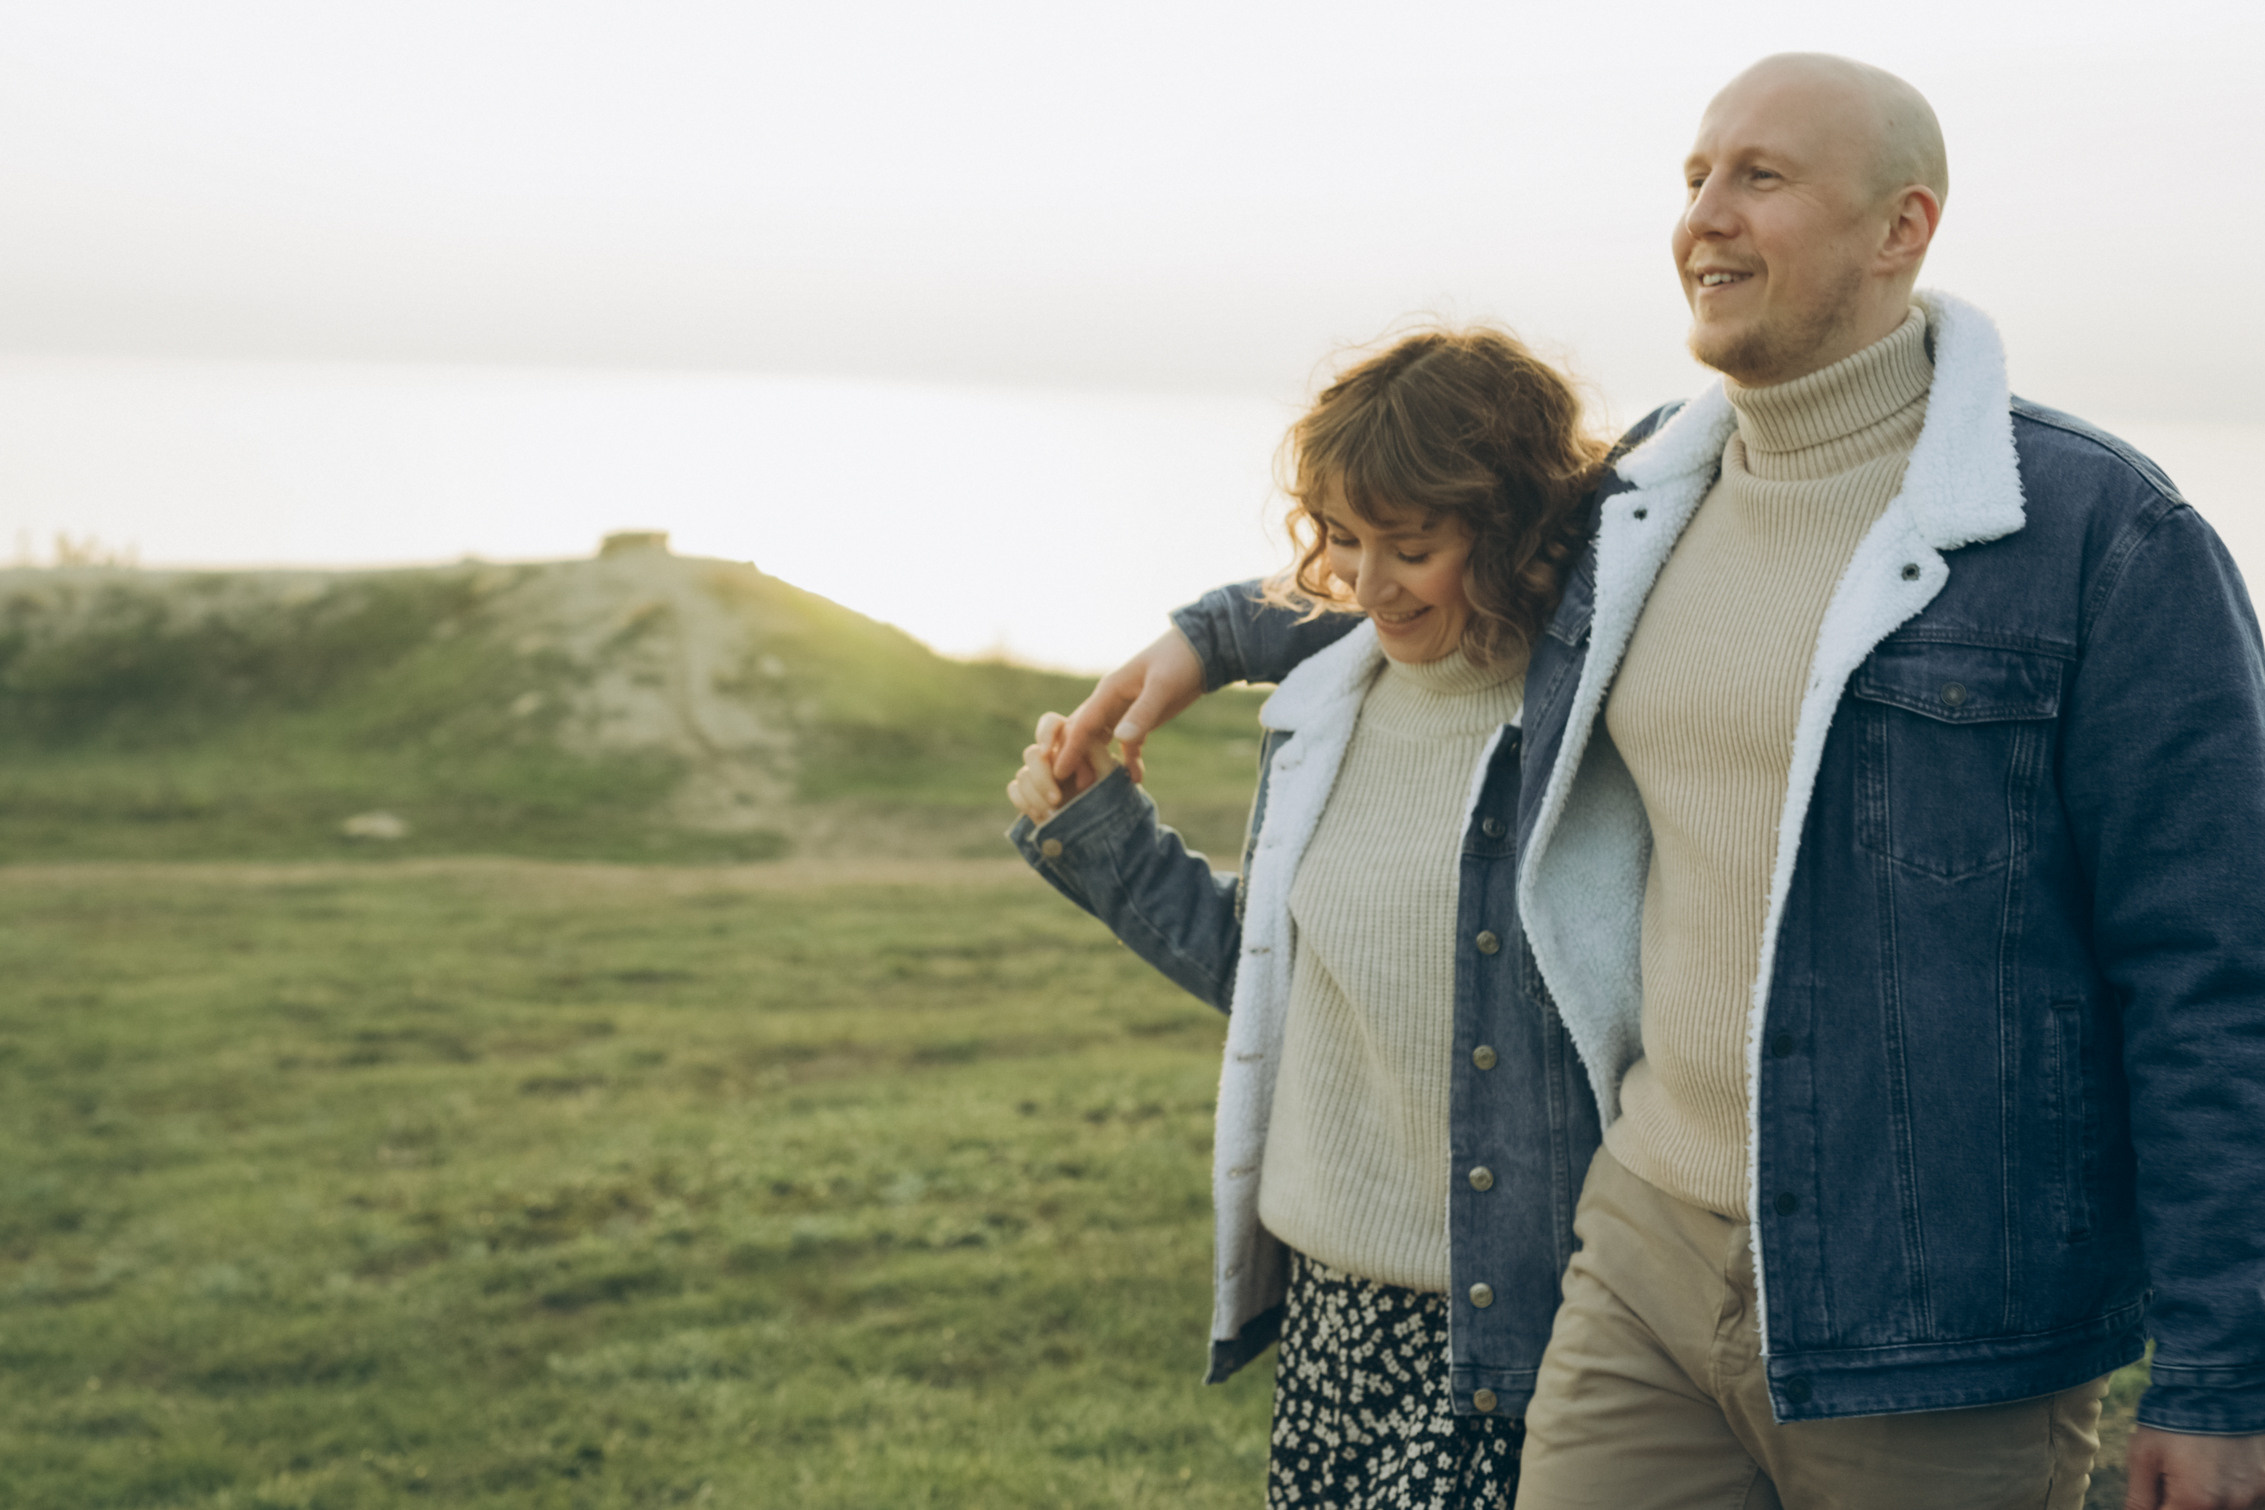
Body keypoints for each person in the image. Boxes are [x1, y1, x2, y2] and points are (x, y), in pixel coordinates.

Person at [1051, 53, 2265, 1510]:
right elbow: (1423, 563)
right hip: (1639, 1252)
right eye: (1693, 177)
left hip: (1933, 1316)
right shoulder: (1634, 506)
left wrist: (2220, 1376)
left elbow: (2210, 975)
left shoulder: (2098, 535)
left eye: (1761, 177)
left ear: (1902, 229)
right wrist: (1205, 636)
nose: (1706, 215)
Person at [1005, 327, 1611, 1508]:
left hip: (1517, 1335)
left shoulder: (1591, 722)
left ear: (1516, 529)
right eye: (1341, 537)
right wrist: (1100, 827)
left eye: (1414, 547)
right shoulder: (1331, 702)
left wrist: (1219, 632)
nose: (1367, 584)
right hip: (1330, 1324)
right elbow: (1273, 971)